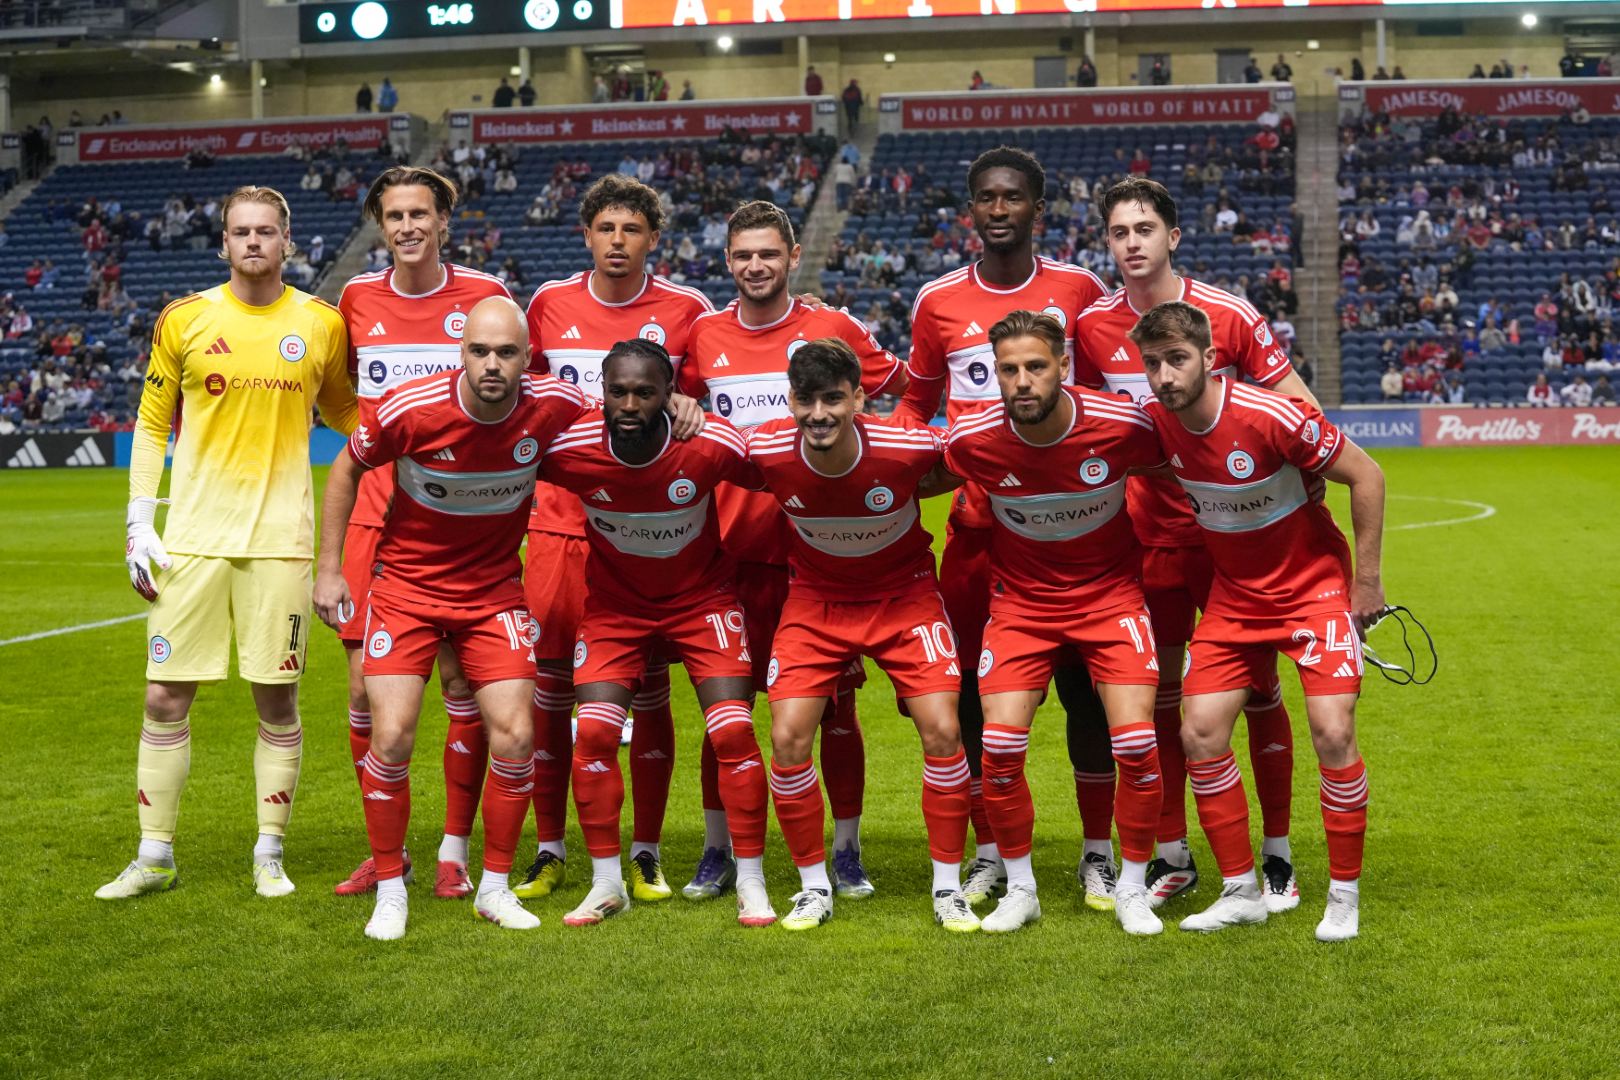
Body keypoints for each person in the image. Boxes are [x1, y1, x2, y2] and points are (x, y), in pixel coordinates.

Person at [97, 186, 359, 902]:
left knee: (276, 701)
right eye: (240, 231)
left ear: (287, 241)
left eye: (265, 231)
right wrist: (138, 523)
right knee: (163, 698)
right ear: (222, 243)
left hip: (281, 542)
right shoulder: (185, 319)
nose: (252, 242)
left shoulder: (321, 324)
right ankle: (154, 855)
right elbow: (152, 426)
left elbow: (349, 417)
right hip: (193, 541)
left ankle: (269, 852)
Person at [312, 297, 593, 940]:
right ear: (460, 352)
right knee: (393, 737)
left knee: (517, 737)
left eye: (507, 353)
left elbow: (621, 424)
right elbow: (347, 467)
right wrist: (329, 570)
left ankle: (492, 887)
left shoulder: (553, 406)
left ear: (528, 356)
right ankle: (391, 887)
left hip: (494, 594)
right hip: (407, 591)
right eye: (479, 351)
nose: (492, 365)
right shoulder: (412, 409)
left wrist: (681, 409)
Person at [1074, 177, 1315, 910]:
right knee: (1158, 701)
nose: (1133, 242)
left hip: (1234, 541)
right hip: (1145, 541)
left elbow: (1297, 405)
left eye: (1145, 227)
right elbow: (1084, 423)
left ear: (1173, 237)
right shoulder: (1090, 328)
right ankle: (1174, 853)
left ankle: (1275, 853)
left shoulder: (1230, 315)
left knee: (1262, 692)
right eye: (1119, 232)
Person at [892, 146, 1114, 912]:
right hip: (979, 531)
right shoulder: (937, 302)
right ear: (970, 209)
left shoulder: (1080, 292)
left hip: (1073, 529)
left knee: (1089, 698)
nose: (997, 209)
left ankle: (1097, 853)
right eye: (985, 197)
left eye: (1011, 197)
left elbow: (1112, 391)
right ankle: (991, 852)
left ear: (1035, 209)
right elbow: (915, 408)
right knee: (976, 703)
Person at [1132, 300, 1384, 942]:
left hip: (1313, 592)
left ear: (1210, 359)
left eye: (1177, 359)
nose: (1164, 375)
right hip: (1235, 600)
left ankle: (1344, 898)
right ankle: (1241, 890)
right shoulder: (1155, 426)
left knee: (1332, 731)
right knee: (1200, 731)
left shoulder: (1273, 415)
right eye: (1153, 362)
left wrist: (1366, 582)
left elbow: (1367, 474)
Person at [681, 200, 908, 900]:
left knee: (835, 709)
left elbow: (903, 390)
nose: (756, 266)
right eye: (743, 255)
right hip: (731, 555)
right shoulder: (703, 336)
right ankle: (718, 849)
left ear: (791, 257)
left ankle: (845, 849)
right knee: (727, 711)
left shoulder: (831, 328)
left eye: (768, 254)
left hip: (822, 557)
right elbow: (678, 409)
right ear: (728, 262)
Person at [517, 174, 713, 904]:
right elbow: (531, 399)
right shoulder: (549, 305)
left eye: (632, 230)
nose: (618, 242)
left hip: (645, 525)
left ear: (653, 238)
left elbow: (700, 400)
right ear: (587, 236)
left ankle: (647, 849)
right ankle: (548, 846)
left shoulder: (687, 310)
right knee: (552, 689)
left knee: (652, 686)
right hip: (563, 519)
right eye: (606, 229)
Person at [940, 311, 1168, 936]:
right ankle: (1022, 888)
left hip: (1111, 600)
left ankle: (1130, 887)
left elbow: (1183, 456)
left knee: (1137, 747)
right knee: (1000, 749)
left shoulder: (1122, 425)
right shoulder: (971, 440)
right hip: (1022, 607)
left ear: (1063, 366)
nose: (1021, 382)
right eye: (1007, 370)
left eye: (1035, 367)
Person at [536, 340, 773, 927]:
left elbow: (787, 471)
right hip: (616, 610)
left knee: (734, 733)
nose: (630, 404)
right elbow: (496, 465)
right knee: (591, 735)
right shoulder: (570, 451)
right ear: (603, 393)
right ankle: (605, 883)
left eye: (645, 392)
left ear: (670, 394)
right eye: (618, 392)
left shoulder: (710, 443)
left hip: (703, 603)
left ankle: (751, 881)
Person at [330, 166, 516, 900]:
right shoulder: (356, 298)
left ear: (445, 220)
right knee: (363, 694)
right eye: (394, 215)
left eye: (420, 214)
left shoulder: (484, 299)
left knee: (465, 681)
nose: (407, 227)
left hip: (461, 522)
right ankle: (388, 857)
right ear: (381, 224)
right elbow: (344, 401)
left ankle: (452, 849)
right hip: (375, 516)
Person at [748, 339, 975, 933]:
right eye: (805, 400)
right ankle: (813, 886)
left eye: (832, 399)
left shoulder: (908, 444)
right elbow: (707, 452)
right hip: (816, 603)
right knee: (789, 737)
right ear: (788, 399)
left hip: (904, 599)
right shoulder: (767, 447)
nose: (817, 414)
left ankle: (948, 888)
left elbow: (965, 459)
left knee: (944, 729)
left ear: (859, 399)